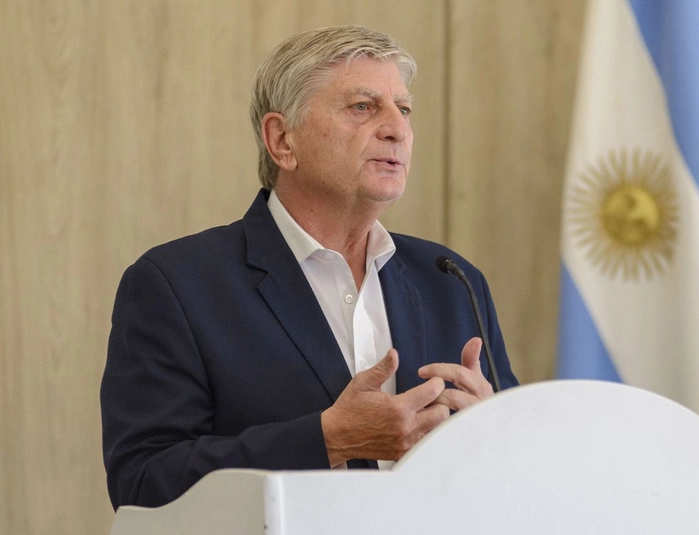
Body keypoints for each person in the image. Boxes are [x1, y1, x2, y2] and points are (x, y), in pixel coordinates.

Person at [100, 25, 518, 510]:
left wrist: (494, 434)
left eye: (403, 109)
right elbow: (143, 484)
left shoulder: (451, 281)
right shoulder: (177, 285)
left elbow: (523, 475)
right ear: (282, 140)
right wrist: (329, 440)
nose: (397, 129)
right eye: (362, 107)